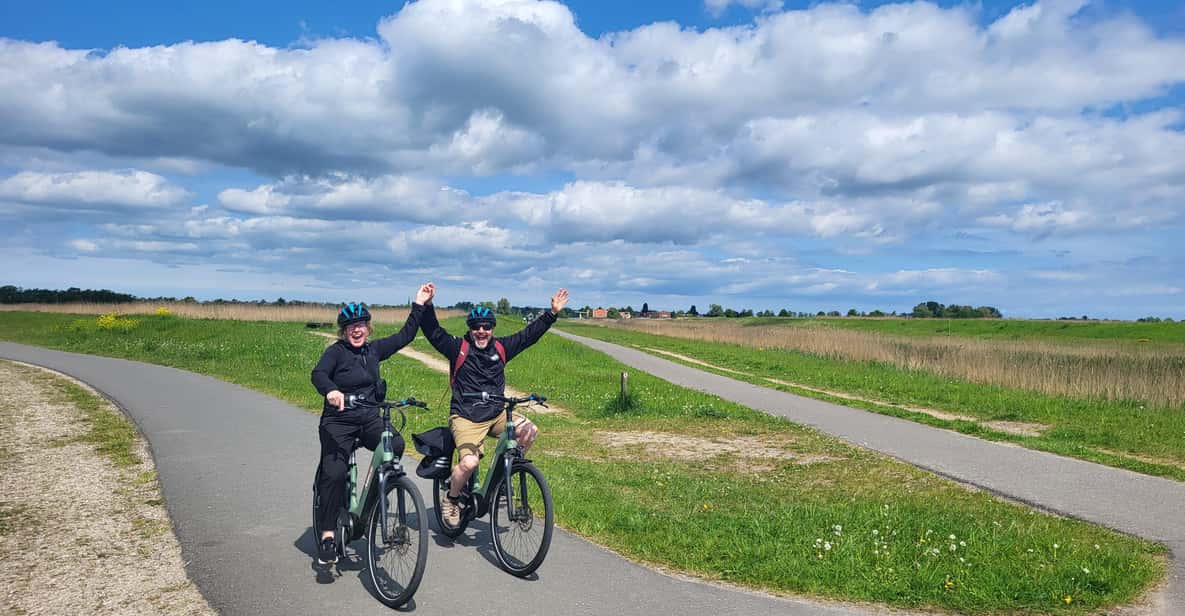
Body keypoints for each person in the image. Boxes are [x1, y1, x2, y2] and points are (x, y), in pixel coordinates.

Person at [420, 286, 569, 527]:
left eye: (486, 327)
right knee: (469, 463)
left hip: (495, 413)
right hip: (466, 417)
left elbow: (528, 335)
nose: (481, 331)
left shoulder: (501, 348)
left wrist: (551, 313)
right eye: (477, 326)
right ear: (470, 329)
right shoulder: (457, 348)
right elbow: (433, 332)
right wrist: (426, 306)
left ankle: (500, 480)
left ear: (492, 329)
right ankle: (451, 498)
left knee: (529, 430)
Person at [310, 283, 434, 565]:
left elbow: (405, 335)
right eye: (350, 326)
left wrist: (419, 304)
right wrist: (331, 390)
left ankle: (373, 499)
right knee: (335, 472)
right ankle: (328, 534)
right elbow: (318, 374)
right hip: (338, 422)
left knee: (395, 444)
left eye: (361, 325)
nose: (356, 330)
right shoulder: (336, 352)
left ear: (368, 328)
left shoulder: (374, 350)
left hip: (368, 417)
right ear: (343, 330)